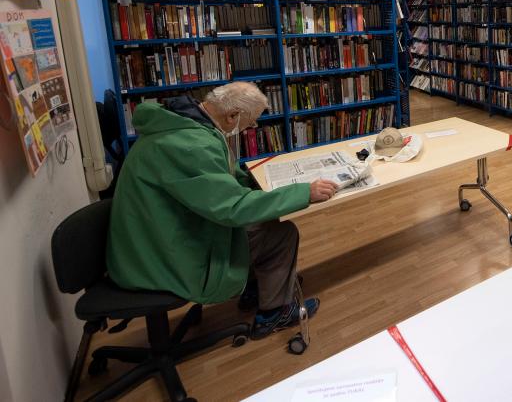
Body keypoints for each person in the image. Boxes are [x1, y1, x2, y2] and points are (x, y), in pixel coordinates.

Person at [107, 82, 338, 339]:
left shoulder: (183, 124)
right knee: (281, 234)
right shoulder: (192, 145)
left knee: (265, 221)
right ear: (232, 115)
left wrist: (257, 181)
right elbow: (233, 208)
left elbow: (218, 177)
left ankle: (255, 288)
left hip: (153, 239)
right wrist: (303, 193)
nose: (252, 127)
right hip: (160, 258)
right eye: (251, 122)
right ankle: (274, 314)